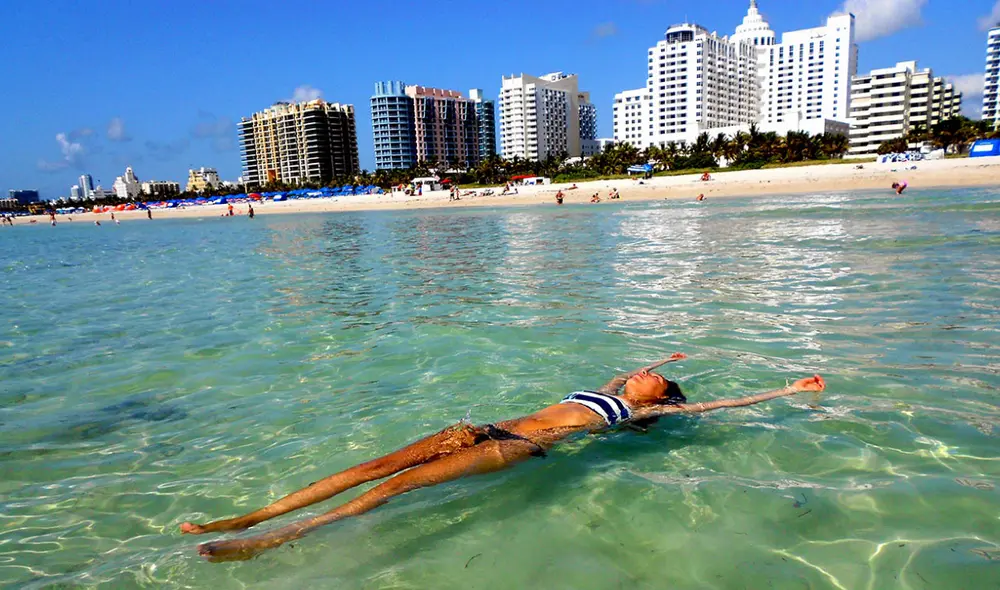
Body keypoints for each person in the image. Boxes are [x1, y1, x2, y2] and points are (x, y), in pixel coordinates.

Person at [181, 355, 826, 562]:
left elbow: (714, 405)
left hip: (518, 448)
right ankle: (248, 517)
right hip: (477, 429)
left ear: (660, 398)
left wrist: (786, 390)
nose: (643, 376)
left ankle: (275, 538)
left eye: (652, 379)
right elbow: (627, 369)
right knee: (370, 468)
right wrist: (661, 358)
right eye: (643, 373)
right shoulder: (608, 389)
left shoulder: (637, 414)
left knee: (392, 490)